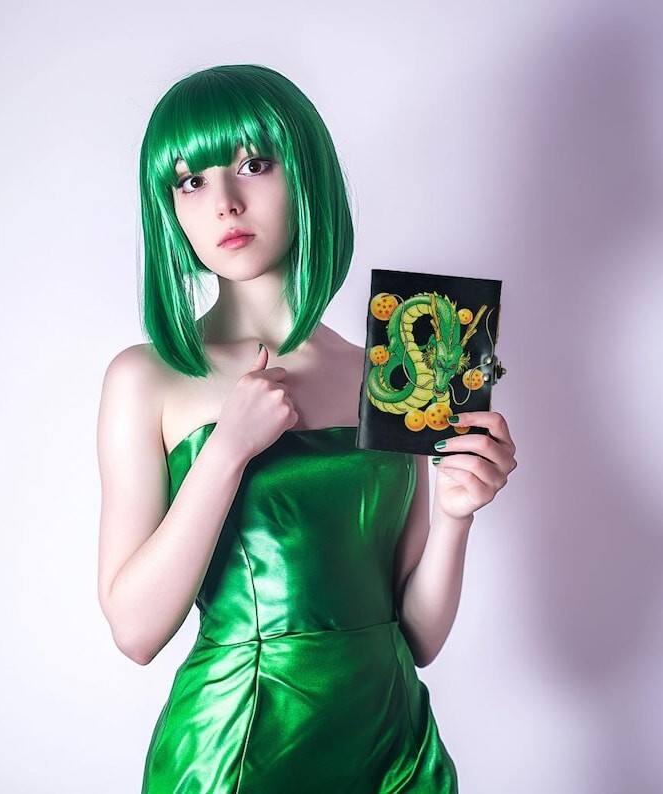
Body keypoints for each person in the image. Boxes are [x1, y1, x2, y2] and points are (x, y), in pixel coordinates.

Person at [96, 64, 516, 793]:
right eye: (190, 181)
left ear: (307, 177)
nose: (224, 203)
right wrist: (227, 450)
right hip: (238, 751)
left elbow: (415, 637)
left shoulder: (394, 372)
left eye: (254, 165)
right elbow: (134, 632)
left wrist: (456, 515)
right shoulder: (148, 377)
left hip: (394, 752)